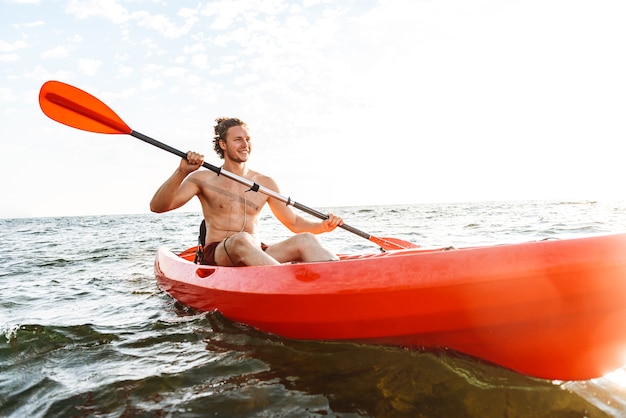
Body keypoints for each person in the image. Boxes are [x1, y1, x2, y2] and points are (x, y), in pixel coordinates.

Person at [150, 117, 343, 266]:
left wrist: (323, 226)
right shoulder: (203, 179)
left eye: (248, 139)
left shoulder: (265, 182)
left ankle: (339, 285)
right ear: (223, 145)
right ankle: (287, 285)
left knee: (306, 240)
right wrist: (182, 171)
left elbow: (293, 222)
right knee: (242, 240)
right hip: (219, 254)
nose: (245, 144)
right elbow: (158, 206)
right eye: (238, 140)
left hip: (255, 252)